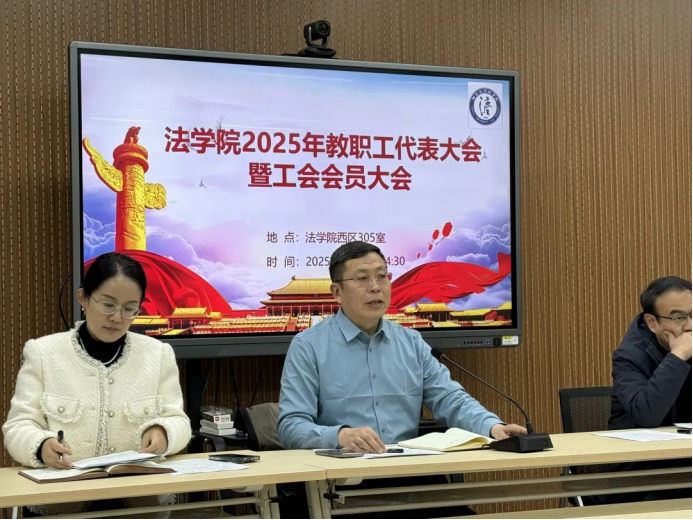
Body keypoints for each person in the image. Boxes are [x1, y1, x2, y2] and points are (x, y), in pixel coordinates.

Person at [276, 242, 525, 517]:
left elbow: (450, 398)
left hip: (409, 477)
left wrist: (492, 427)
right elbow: (290, 426)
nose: (375, 287)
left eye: (382, 276)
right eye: (362, 278)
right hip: (342, 483)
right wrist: (340, 436)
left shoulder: (411, 342)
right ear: (337, 292)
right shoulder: (309, 346)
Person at [3, 252, 192, 517]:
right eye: (108, 305)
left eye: (129, 309)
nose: (117, 317)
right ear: (83, 298)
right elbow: (18, 426)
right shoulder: (44, 353)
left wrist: (164, 432)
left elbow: (179, 420)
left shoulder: (157, 354)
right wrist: (41, 445)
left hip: (141, 503)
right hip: (61, 503)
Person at [606, 275, 692, 503]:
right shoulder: (629, 355)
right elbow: (646, 414)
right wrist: (678, 356)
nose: (689, 326)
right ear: (652, 322)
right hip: (642, 472)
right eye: (678, 318)